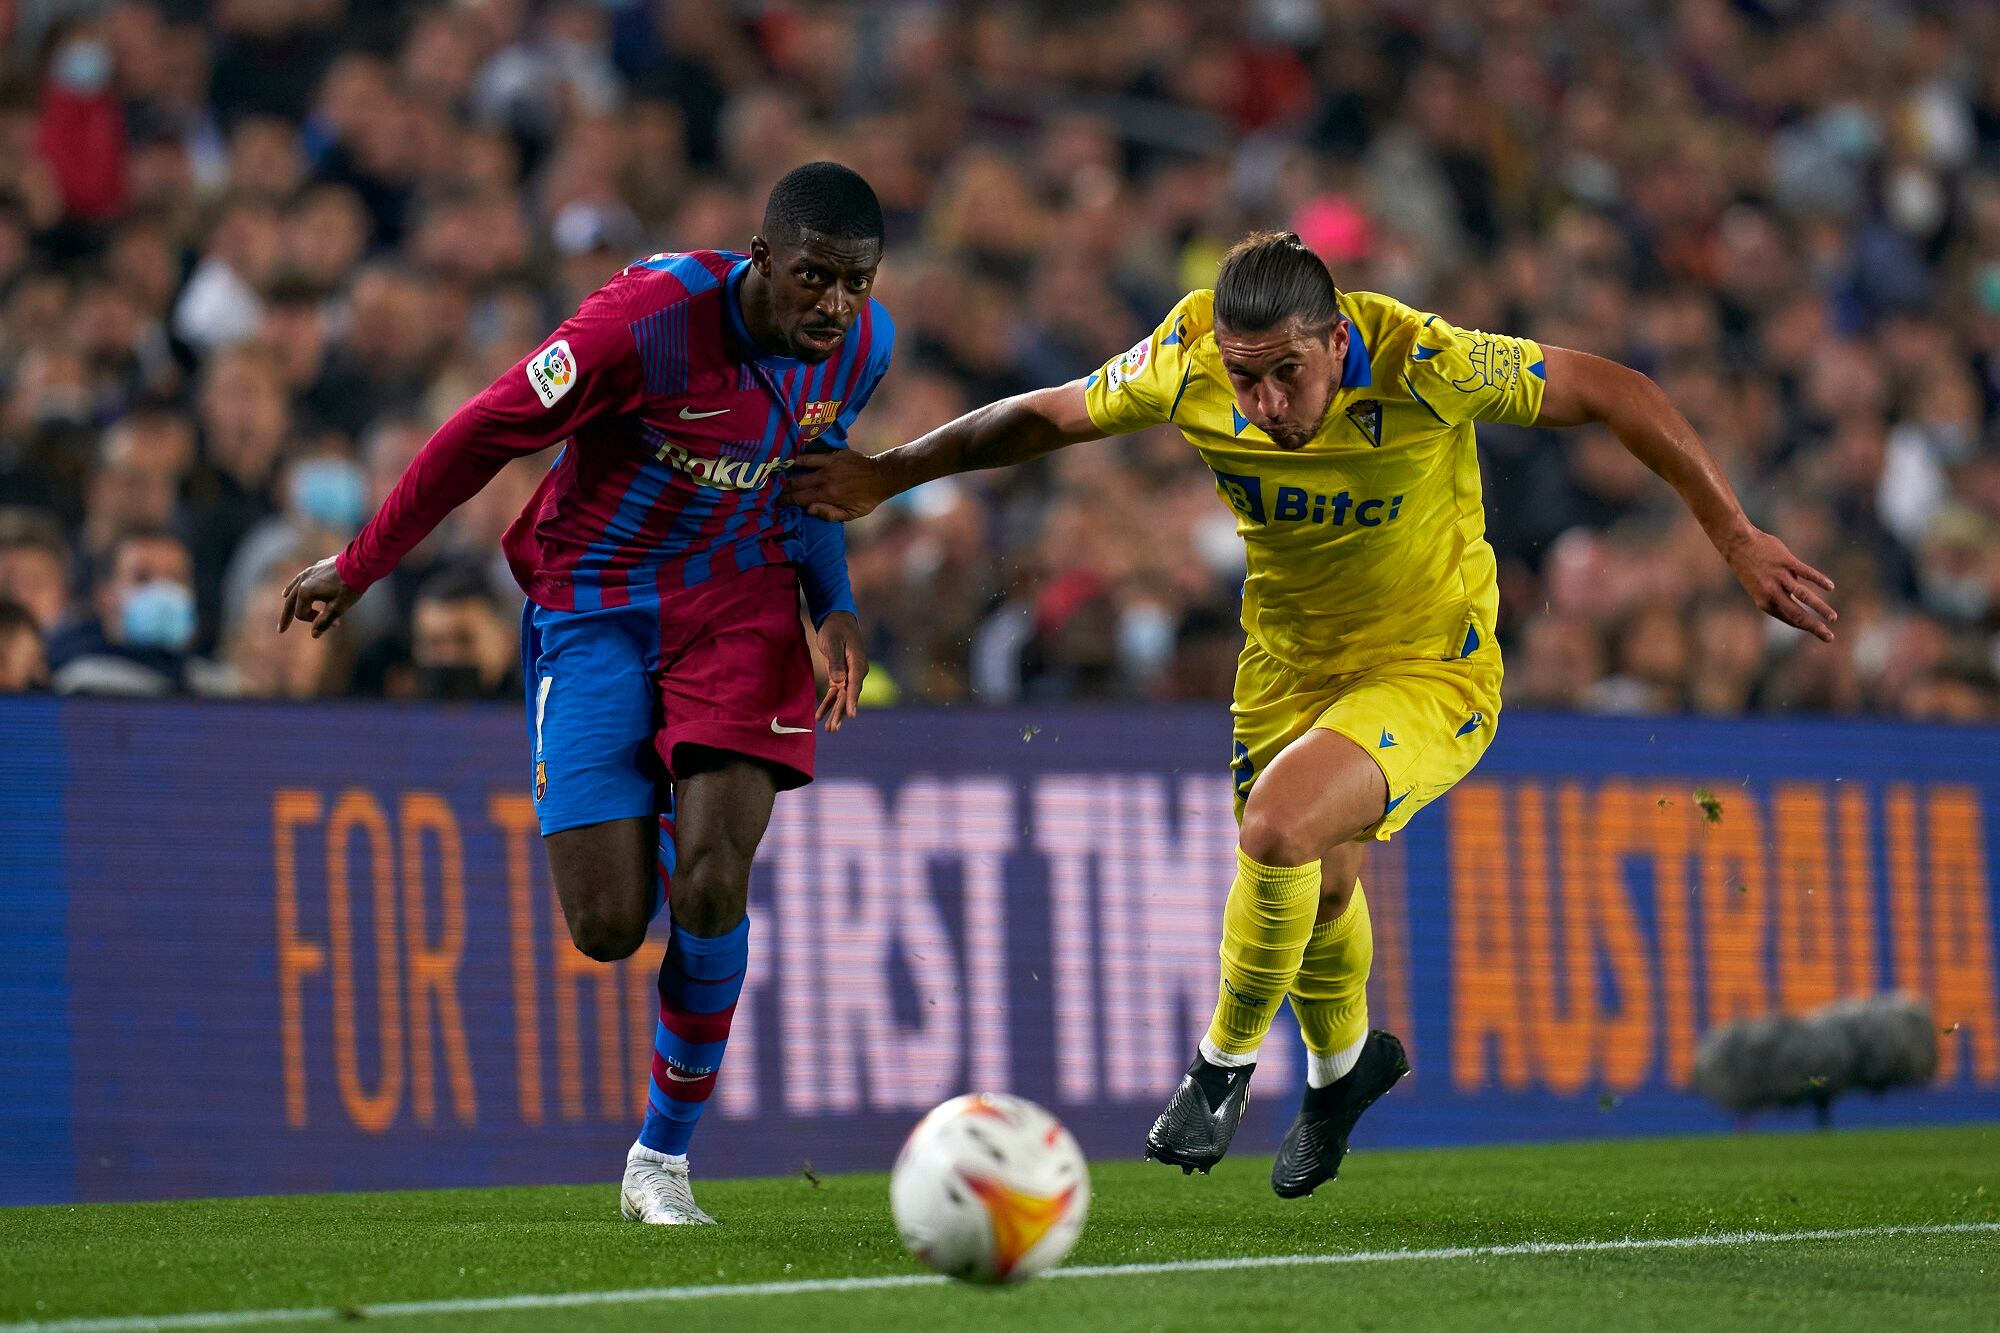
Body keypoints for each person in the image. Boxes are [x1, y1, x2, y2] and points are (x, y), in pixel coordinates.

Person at [784, 230, 1836, 1199]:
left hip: (1431, 668)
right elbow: (1046, 414)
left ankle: (1218, 1066)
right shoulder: (1186, 354)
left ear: (1337, 338)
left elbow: (1614, 389)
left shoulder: (1427, 360)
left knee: (1276, 828)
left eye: (1288, 373)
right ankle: (1342, 1070)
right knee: (1319, 882)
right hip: (1283, 669)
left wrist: (1732, 534)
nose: (1264, 404)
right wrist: (892, 472)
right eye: (1244, 380)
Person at [278, 162, 893, 1225]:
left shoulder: (861, 347)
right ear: (760, 260)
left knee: (711, 880)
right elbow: (479, 431)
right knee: (609, 925)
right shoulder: (641, 328)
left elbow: (810, 478)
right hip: (595, 605)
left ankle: (661, 1158)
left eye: (856, 283)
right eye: (813, 279)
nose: (835, 307)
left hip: (738, 605)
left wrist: (829, 601)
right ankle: (665, 807)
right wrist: (360, 563)